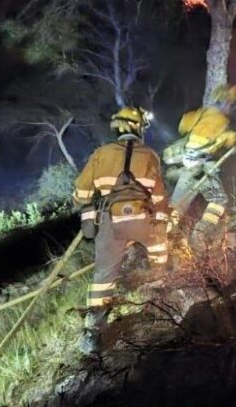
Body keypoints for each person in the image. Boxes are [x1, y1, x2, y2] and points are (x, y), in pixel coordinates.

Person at [73, 106, 169, 353]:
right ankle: (160, 298)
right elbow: (158, 197)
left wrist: (86, 207)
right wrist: (161, 222)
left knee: (103, 276)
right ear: (137, 128)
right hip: (141, 219)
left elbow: (82, 190)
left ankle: (92, 334)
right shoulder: (150, 155)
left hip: (109, 222)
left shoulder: (101, 154)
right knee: (159, 250)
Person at [163, 84, 236, 252]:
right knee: (219, 201)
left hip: (187, 165)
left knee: (176, 207)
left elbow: (183, 125)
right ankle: (200, 234)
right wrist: (231, 137)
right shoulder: (220, 119)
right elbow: (223, 140)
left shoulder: (201, 113)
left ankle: (160, 240)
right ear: (225, 102)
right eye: (231, 104)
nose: (232, 108)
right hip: (202, 167)